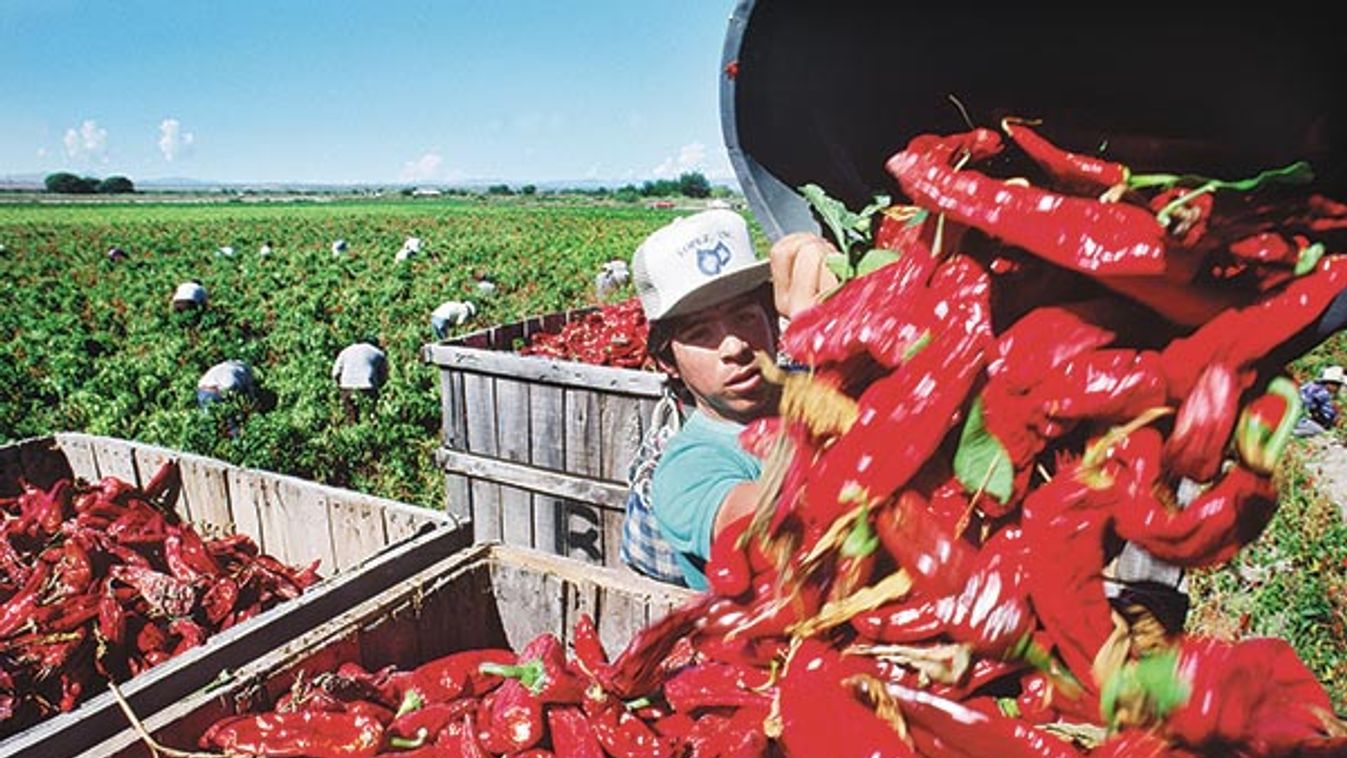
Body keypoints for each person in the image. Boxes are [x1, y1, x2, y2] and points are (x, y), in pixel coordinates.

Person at [622, 209, 835, 589]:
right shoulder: (686, 468)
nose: (734, 345)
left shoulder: (819, 384)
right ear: (667, 361)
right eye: (701, 333)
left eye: (746, 317)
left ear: (773, 323)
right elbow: (781, 529)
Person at [332, 339, 388, 423]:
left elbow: (335, 373)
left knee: (351, 415)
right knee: (370, 414)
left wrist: (340, 386)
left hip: (347, 385)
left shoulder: (346, 351)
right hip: (368, 386)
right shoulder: (378, 353)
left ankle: (351, 432)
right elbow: (384, 375)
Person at [1295, 365, 1345, 437]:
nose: (1338, 389)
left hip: (1295, 413)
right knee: (1321, 431)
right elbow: (1327, 414)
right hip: (1300, 418)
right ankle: (1293, 433)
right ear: (1331, 384)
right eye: (1338, 385)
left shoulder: (1311, 385)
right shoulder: (1323, 393)